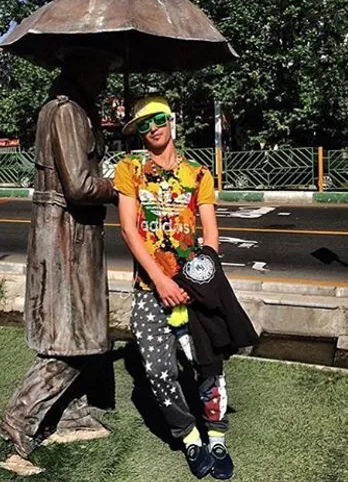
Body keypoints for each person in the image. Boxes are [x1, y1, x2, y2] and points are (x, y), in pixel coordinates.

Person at [0, 47, 120, 476]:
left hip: (75, 234)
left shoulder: (73, 109)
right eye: (100, 69)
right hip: (65, 235)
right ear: (79, 68)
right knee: (69, 337)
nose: (105, 79)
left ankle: (71, 414)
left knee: (83, 330)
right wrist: (121, 183)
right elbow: (81, 185)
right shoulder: (65, 111)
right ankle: (18, 421)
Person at [113, 96, 234, 480]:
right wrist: (161, 280)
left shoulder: (199, 175)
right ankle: (189, 435)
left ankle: (216, 435)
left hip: (192, 287)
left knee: (208, 366)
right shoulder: (129, 170)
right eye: (144, 124)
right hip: (150, 288)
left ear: (172, 121)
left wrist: (201, 276)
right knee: (159, 370)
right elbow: (129, 230)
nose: (153, 128)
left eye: (159, 119)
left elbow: (211, 233)